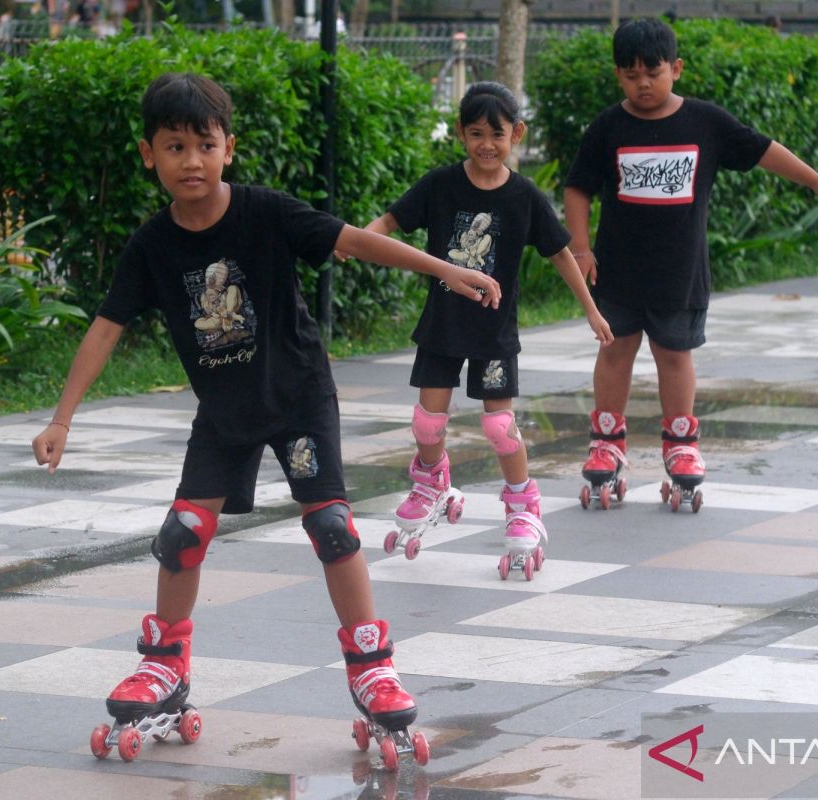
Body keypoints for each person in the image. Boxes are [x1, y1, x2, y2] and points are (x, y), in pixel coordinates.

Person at [31, 72, 501, 760]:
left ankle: (373, 669)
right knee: (183, 533)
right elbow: (105, 328)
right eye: (173, 147)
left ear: (229, 149)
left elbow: (354, 242)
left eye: (204, 144)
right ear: (148, 155)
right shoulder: (151, 245)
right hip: (225, 413)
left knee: (333, 528)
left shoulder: (265, 212)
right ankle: (165, 662)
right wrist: (62, 419)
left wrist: (444, 270)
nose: (190, 161)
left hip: (299, 400)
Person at [564, 18, 818, 507]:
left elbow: (762, 150)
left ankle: (681, 447)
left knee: (675, 354)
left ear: (675, 69)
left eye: (652, 72)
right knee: (615, 351)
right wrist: (582, 247)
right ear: (618, 77)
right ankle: (607, 443)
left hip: (680, 272)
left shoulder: (705, 122)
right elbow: (577, 187)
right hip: (618, 269)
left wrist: (814, 180)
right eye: (631, 76)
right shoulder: (609, 126)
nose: (643, 84)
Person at [354, 82, 613, 571]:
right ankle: (431, 479)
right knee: (426, 422)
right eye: (476, 134)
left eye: (497, 134)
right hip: (443, 324)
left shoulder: (525, 196)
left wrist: (591, 310)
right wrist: (353, 240)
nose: (487, 145)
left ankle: (522, 504)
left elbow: (560, 252)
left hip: (494, 331)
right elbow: (389, 223)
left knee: (499, 424)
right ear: (460, 133)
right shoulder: (440, 184)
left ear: (517, 134)